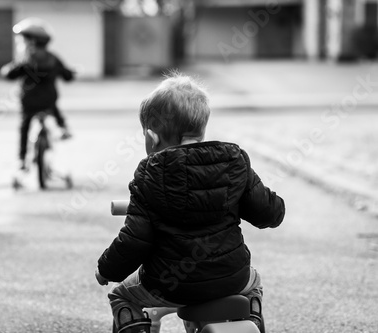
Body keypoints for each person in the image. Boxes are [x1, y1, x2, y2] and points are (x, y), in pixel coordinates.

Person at [95, 73, 285, 333]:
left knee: (123, 296)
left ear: (152, 138)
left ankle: (136, 327)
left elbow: (134, 239)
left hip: (169, 284)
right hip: (232, 278)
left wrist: (107, 269)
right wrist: (274, 205)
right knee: (254, 284)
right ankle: (251, 316)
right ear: (202, 128)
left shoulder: (149, 174)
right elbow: (268, 213)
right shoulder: (234, 161)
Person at [0, 18, 74, 171]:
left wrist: (5, 70)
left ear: (31, 42)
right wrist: (71, 73)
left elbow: (10, 74)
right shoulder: (53, 58)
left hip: (29, 103)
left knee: (24, 126)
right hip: (48, 100)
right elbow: (67, 76)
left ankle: (21, 159)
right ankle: (62, 127)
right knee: (53, 105)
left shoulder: (24, 60)